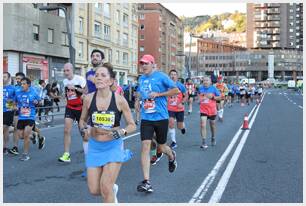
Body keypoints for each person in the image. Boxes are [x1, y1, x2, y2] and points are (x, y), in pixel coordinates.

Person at [79, 63, 136, 203]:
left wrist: (121, 132)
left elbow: (132, 125)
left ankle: (110, 190)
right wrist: (84, 129)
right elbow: (82, 120)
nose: (98, 78)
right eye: (97, 75)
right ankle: (113, 189)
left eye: (103, 75)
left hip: (113, 146)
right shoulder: (88, 99)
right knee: (94, 190)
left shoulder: (120, 101)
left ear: (110, 81)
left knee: (105, 187)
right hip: (95, 147)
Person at [136, 54, 179, 193]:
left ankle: (171, 155)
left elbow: (175, 90)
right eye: (141, 64)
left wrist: (159, 94)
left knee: (161, 147)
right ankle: (146, 181)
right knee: (145, 146)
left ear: (152, 64)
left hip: (161, 117)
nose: (143, 66)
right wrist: (138, 101)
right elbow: (140, 93)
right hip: (146, 118)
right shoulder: (141, 79)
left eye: (145, 64)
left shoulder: (161, 76)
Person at [58, 63, 87, 164]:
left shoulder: (80, 79)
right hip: (70, 107)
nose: (65, 73)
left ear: (72, 70)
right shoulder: (64, 81)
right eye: (64, 71)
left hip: (81, 108)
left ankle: (89, 149)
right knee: (66, 130)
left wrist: (75, 88)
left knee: (83, 131)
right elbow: (66, 94)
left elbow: (85, 91)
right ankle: (66, 154)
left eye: (67, 70)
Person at [14, 77, 41, 161]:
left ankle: (25, 154)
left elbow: (40, 102)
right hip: (21, 117)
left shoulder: (34, 92)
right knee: (20, 136)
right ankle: (34, 135)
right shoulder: (18, 93)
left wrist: (37, 102)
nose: (22, 85)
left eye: (24, 84)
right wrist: (14, 107)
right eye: (21, 84)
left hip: (30, 117)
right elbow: (12, 102)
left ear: (28, 85)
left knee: (26, 135)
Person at [198, 76, 221, 148]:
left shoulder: (214, 88)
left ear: (210, 82)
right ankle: (204, 141)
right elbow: (198, 97)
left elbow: (220, 97)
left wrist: (213, 97)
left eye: (207, 80)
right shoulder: (200, 88)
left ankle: (213, 137)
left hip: (212, 110)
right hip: (203, 109)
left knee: (212, 125)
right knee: (203, 124)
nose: (205, 82)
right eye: (204, 80)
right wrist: (199, 99)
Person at [167, 69, 187, 149]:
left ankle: (183, 127)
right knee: (171, 123)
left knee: (179, 126)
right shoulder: (166, 85)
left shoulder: (180, 85)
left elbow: (186, 95)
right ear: (169, 76)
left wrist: (182, 103)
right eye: (171, 74)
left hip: (179, 109)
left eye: (174, 74)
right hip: (170, 108)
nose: (173, 76)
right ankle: (174, 142)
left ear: (177, 76)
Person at [9, 72, 26, 155]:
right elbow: (10, 99)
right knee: (16, 128)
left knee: (23, 133)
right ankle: (15, 147)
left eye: (19, 78)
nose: (17, 80)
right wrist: (10, 107)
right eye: (17, 78)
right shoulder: (14, 88)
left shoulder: (27, 88)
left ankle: (35, 135)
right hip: (16, 111)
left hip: (26, 111)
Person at [3, 72, 15, 154]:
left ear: (9, 78)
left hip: (8, 111)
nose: (2, 78)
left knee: (3, 128)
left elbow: (15, 100)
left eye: (4, 77)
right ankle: (5, 147)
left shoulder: (12, 88)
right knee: (6, 130)